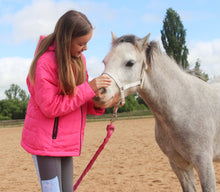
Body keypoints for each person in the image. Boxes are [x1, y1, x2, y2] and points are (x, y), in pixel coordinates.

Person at [21, 10, 113, 192]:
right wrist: (89, 88)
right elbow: (50, 107)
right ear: (66, 39)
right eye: (81, 43)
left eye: (87, 43)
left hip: (65, 143)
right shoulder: (45, 63)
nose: (85, 48)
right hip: (45, 145)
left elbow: (79, 100)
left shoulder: (79, 60)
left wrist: (100, 101)